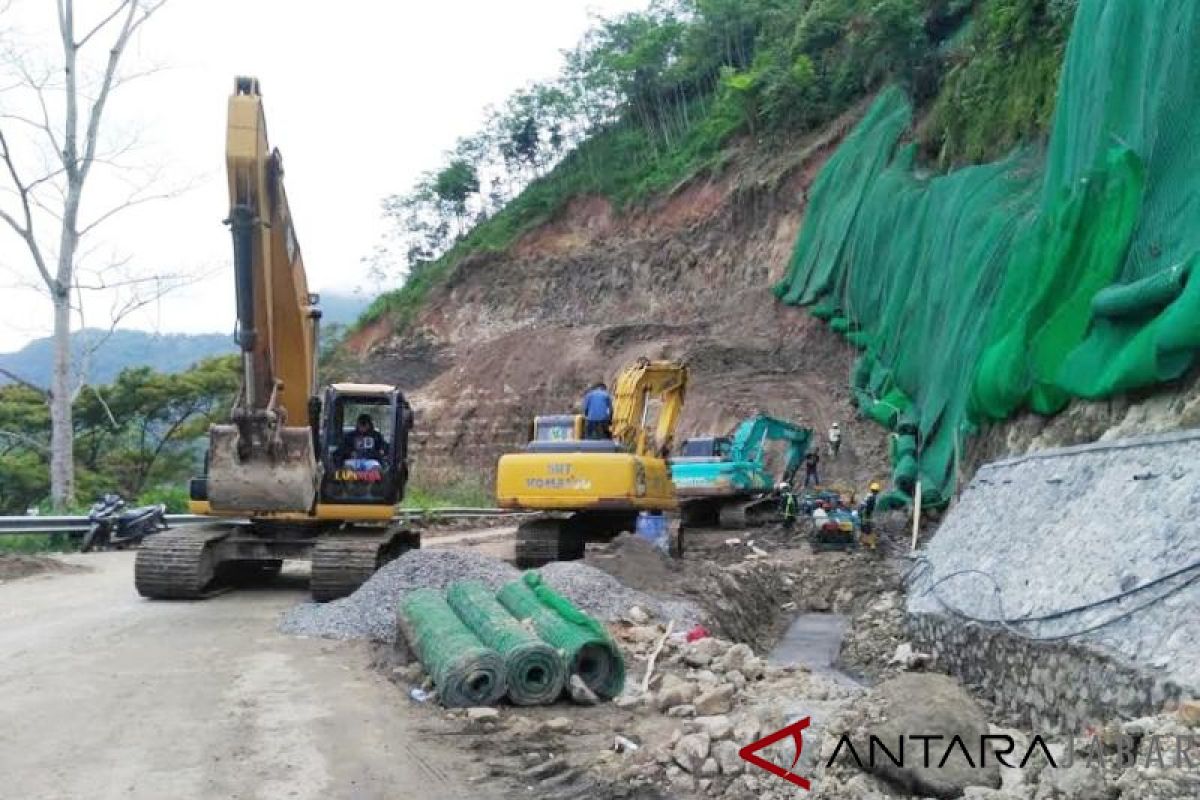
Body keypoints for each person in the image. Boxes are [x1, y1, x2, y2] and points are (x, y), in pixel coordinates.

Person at [859, 481, 881, 550]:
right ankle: (871, 544)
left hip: (862, 513)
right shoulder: (872, 498)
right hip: (866, 514)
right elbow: (870, 508)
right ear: (877, 491)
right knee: (869, 528)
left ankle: (863, 541)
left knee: (863, 527)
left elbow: (862, 505)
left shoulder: (868, 496)